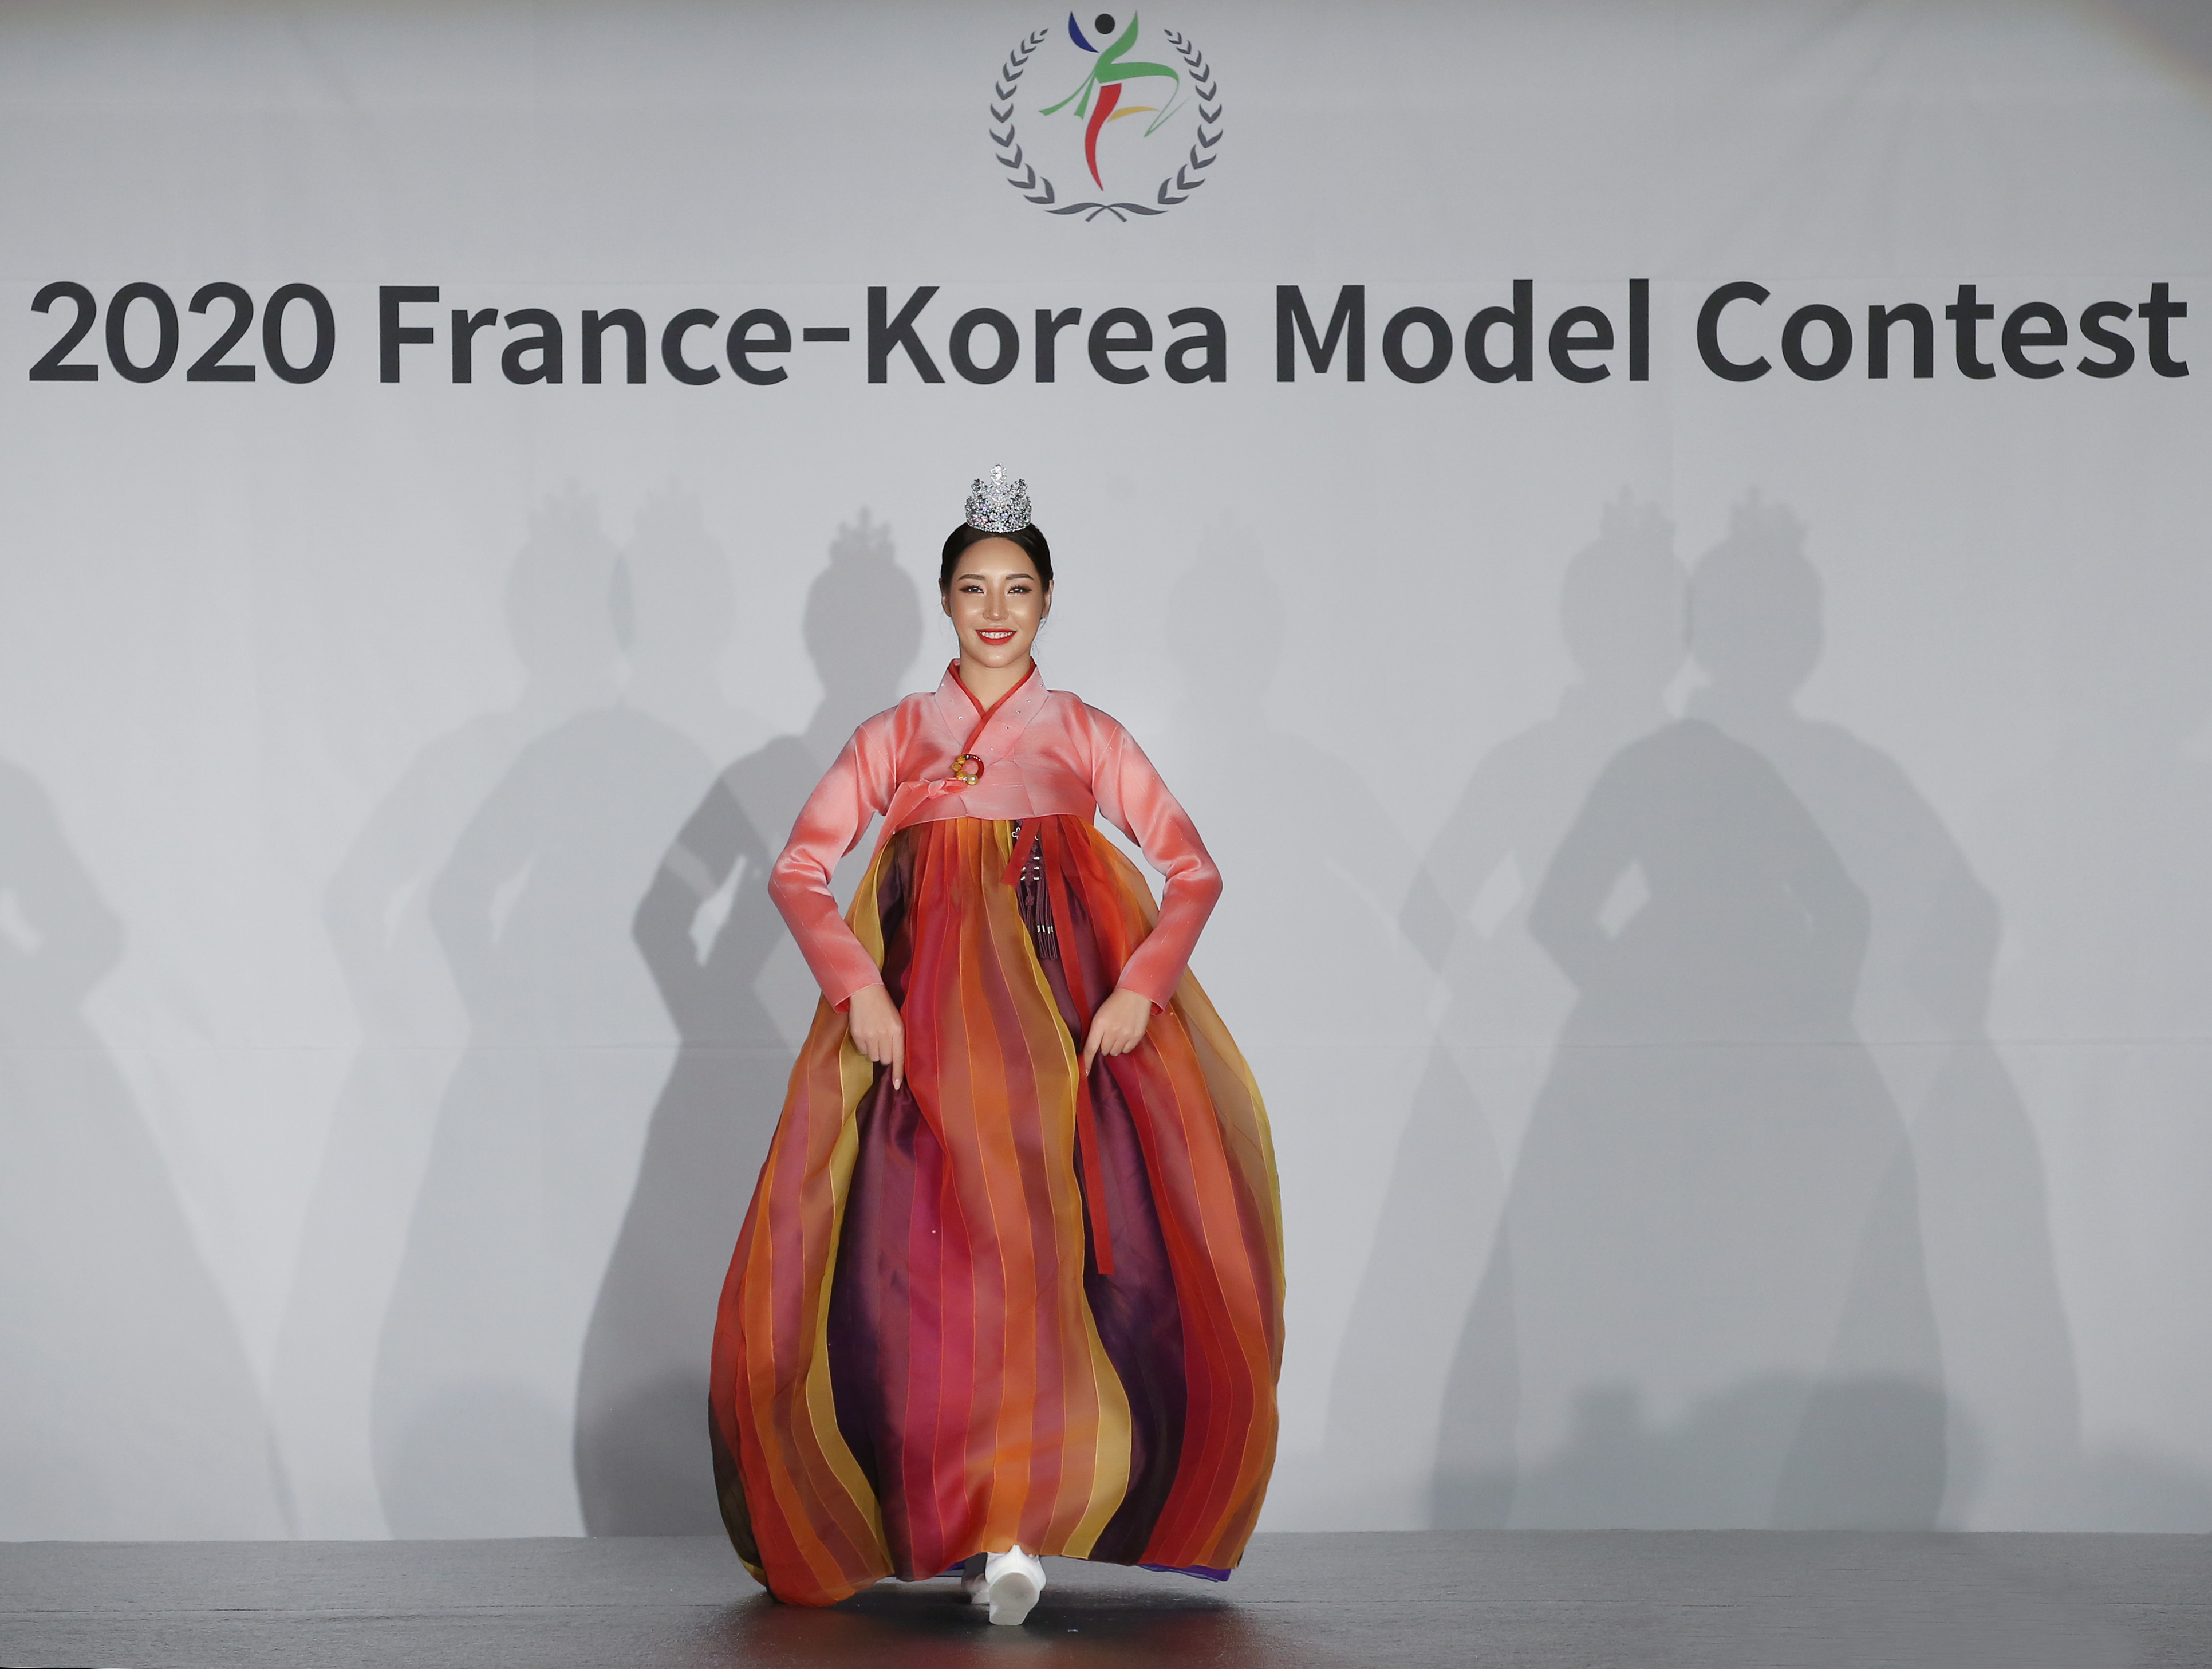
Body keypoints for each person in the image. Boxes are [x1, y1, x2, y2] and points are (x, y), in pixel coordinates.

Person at [707, 469, 1282, 1624]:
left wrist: (1140, 989)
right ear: (944, 600)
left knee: (1050, 1265)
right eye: (974, 588)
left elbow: (1193, 868)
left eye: (1017, 588)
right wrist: (858, 990)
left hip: (1065, 1038)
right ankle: (963, 1515)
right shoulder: (895, 735)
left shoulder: (1084, 732)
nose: (996, 610)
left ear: (1049, 599)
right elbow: (800, 868)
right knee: (930, 1272)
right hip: (923, 1042)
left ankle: (1015, 1519)